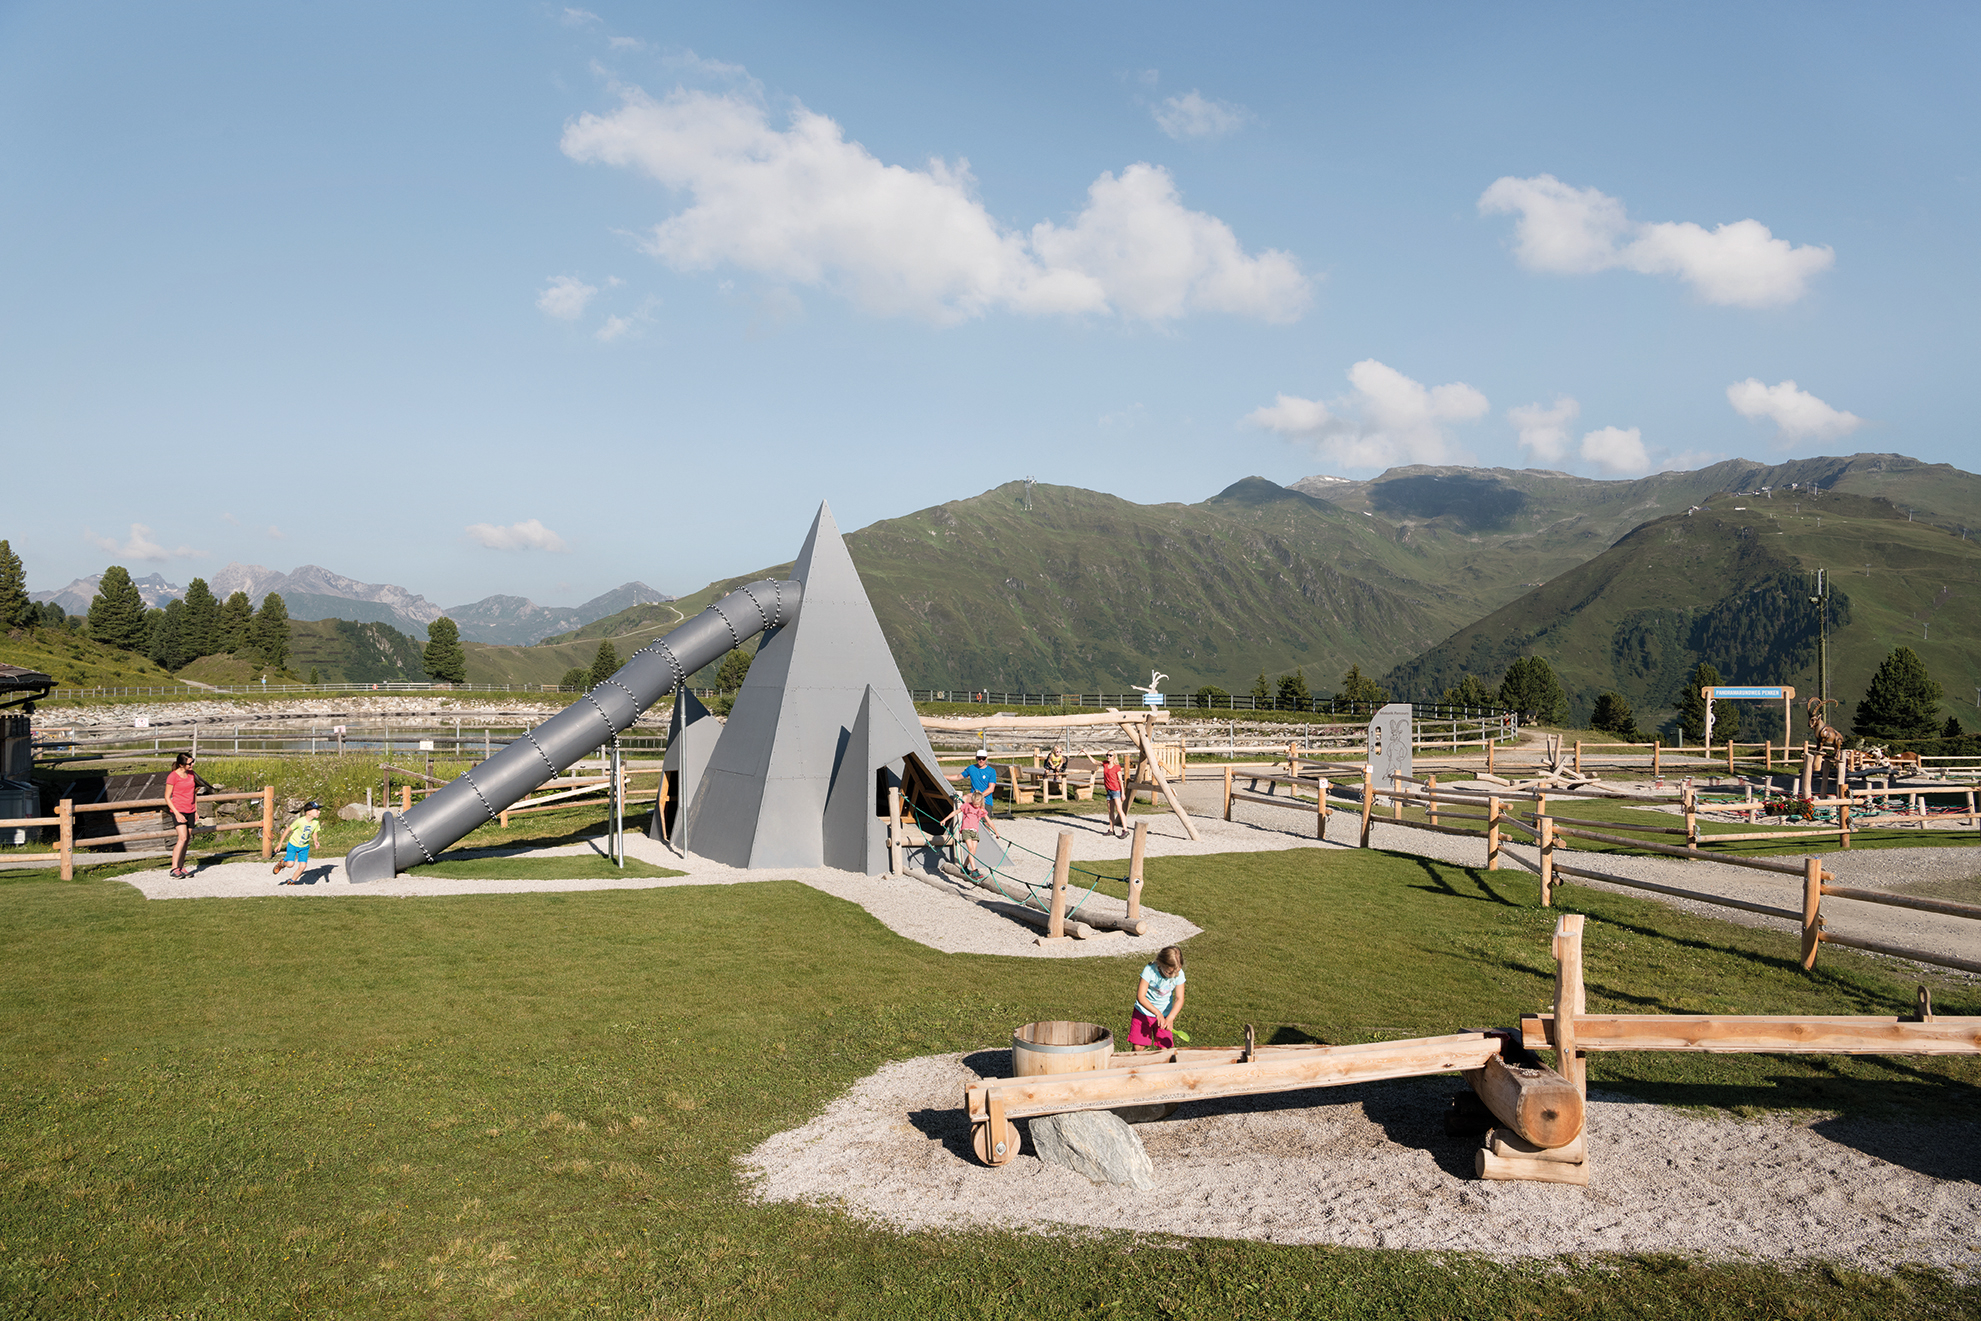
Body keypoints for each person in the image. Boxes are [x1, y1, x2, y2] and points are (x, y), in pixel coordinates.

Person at [1129, 946, 1187, 1051]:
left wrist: (1170, 1018)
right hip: (1143, 1013)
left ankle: (1160, 1067)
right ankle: (1135, 1067)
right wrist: (1157, 1013)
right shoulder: (1149, 970)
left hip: (1165, 1016)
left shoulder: (1178, 974)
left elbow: (1179, 998)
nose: (1173, 976)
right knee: (1138, 1047)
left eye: (1177, 972)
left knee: (1165, 1048)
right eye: (1169, 973)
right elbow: (1140, 996)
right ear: (1160, 964)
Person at [941, 790, 999, 878]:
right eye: (974, 804)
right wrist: (945, 819)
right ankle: (974, 870)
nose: (976, 806)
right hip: (966, 830)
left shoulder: (981, 809)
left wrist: (996, 832)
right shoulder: (967, 806)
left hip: (975, 831)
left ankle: (964, 867)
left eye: (978, 804)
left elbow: (989, 821)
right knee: (970, 849)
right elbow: (955, 812)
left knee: (973, 852)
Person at [165, 751, 199, 878]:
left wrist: (195, 810)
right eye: (189, 763)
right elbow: (167, 797)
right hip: (178, 810)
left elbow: (194, 792)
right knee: (182, 838)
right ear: (181, 765)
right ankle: (174, 868)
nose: (192, 765)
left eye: (192, 761)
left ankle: (181, 866)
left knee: (187, 840)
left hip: (190, 810)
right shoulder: (173, 776)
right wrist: (177, 813)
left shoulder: (191, 774)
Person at [272, 801, 324, 884]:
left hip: (304, 847)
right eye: (317, 810)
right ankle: (282, 863)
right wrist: (280, 843)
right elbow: (288, 829)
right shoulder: (300, 821)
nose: (319, 812)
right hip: (293, 845)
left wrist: (315, 841)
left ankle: (292, 881)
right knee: (290, 864)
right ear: (309, 812)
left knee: (303, 866)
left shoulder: (316, 822)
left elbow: (314, 832)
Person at [1100, 752, 1127, 837]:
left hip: (1116, 790)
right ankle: (1111, 829)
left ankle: (1125, 829)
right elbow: (1095, 762)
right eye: (1107, 755)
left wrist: (1123, 793)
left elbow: (1120, 781)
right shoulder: (1105, 764)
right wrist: (1086, 753)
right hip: (1109, 791)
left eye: (1110, 755)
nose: (1108, 756)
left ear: (1114, 757)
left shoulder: (1117, 767)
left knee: (1119, 809)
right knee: (1110, 811)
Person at [963, 749, 998, 814]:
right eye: (979, 758)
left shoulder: (991, 771)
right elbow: (958, 777)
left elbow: (991, 789)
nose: (981, 760)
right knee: (964, 798)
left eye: (983, 758)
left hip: (985, 801)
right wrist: (944, 777)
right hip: (973, 800)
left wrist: (978, 798)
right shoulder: (971, 768)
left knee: (986, 823)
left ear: (986, 758)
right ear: (976, 758)